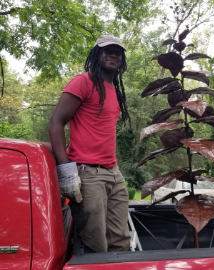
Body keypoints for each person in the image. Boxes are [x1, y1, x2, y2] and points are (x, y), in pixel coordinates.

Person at [49, 35, 131, 253]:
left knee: (121, 241)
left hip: (114, 173)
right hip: (88, 174)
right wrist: (66, 170)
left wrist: (115, 170)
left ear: (122, 59)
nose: (113, 55)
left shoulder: (114, 91)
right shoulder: (83, 82)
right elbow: (56, 123)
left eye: (118, 52)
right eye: (108, 50)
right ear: (97, 54)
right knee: (96, 245)